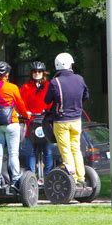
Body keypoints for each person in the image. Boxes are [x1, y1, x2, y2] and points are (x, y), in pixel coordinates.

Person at [45, 53, 89, 188]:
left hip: (61, 121)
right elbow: (86, 96)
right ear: (70, 64)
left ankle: (73, 178)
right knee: (76, 149)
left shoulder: (55, 82)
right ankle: (81, 177)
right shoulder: (79, 79)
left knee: (65, 150)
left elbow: (47, 100)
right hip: (76, 120)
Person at [0, 61, 30, 192]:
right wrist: (25, 115)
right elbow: (20, 104)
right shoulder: (12, 87)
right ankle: (15, 181)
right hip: (11, 122)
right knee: (13, 154)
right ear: (6, 74)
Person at [19, 61, 54, 179]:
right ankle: (30, 178)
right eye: (34, 71)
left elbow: (52, 102)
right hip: (31, 123)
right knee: (30, 152)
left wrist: (49, 111)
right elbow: (20, 103)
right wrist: (25, 112)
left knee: (48, 152)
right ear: (31, 73)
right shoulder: (25, 87)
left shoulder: (49, 86)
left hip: (45, 122)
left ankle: (49, 176)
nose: (37, 73)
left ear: (43, 73)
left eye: (39, 71)